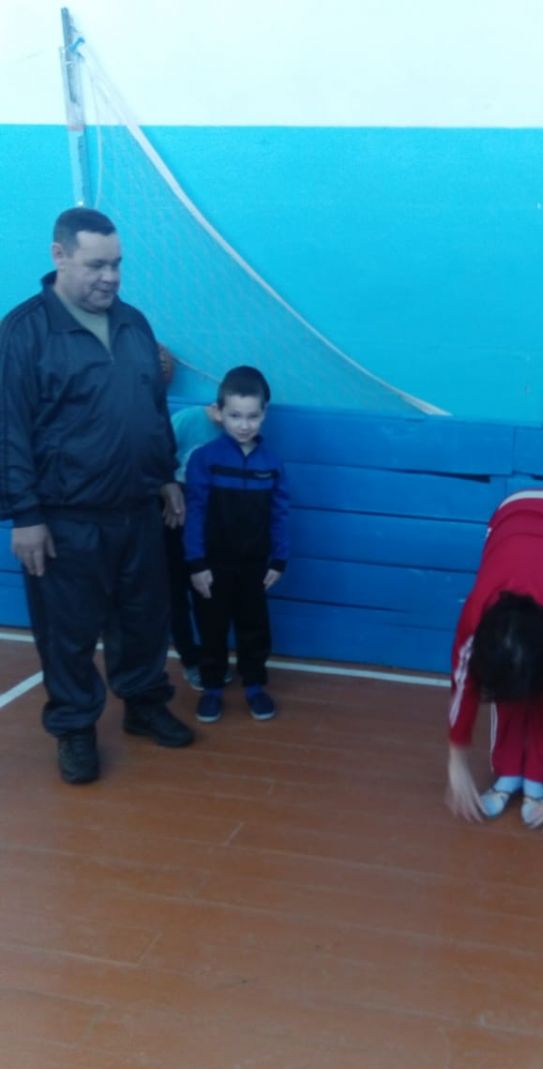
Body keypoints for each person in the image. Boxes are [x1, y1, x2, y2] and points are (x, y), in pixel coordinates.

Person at [0, 207, 194, 784]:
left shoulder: (133, 323)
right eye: (96, 265)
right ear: (59, 256)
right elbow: (9, 430)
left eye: (117, 264)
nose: (110, 277)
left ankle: (144, 704)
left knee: (144, 618)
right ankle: (75, 729)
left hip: (137, 507)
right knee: (68, 631)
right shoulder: (23, 332)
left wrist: (165, 475)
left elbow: (152, 409)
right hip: (65, 517)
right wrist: (25, 515)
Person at [446, 489, 543, 832]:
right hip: (510, 515)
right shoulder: (476, 616)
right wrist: (455, 760)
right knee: (509, 675)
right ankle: (508, 772)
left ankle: (537, 775)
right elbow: (463, 683)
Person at [184, 365, 290, 723]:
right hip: (212, 565)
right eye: (235, 415)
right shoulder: (204, 459)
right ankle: (212, 688)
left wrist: (279, 559)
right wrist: (196, 563)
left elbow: (280, 514)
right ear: (219, 413)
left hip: (254, 565)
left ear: (264, 413)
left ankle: (255, 686)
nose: (244, 425)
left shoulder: (272, 464)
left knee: (254, 626)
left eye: (252, 416)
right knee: (211, 627)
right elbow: (194, 513)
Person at [164, 403, 220, 690]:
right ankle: (190, 659)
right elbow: (158, 456)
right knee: (176, 592)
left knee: (206, 590)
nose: (243, 423)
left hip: (207, 514)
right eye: (234, 413)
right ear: (218, 406)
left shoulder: (238, 433)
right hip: (174, 512)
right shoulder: (187, 420)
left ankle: (210, 658)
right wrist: (169, 490)